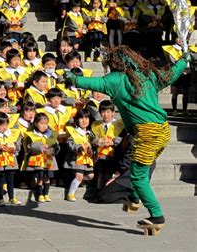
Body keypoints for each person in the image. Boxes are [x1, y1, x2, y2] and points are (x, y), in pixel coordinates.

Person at [63, 45, 191, 231]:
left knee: (138, 176)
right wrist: (183, 60)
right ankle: (134, 198)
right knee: (138, 166)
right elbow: (171, 74)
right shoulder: (149, 75)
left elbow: (93, 83)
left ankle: (157, 216)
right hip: (162, 130)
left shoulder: (116, 79)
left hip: (147, 133)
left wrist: (73, 78)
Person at [22, 113, 59, 202]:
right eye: (41, 124)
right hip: (38, 160)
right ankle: (40, 194)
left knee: (47, 177)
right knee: (40, 177)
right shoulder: (32, 134)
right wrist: (42, 147)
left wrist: (53, 149)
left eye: (45, 124)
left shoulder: (51, 134)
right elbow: (30, 146)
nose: (44, 126)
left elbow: (56, 145)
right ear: (35, 124)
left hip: (49, 159)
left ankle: (46, 193)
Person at [64, 109, 94, 202]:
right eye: (81, 118)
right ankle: (70, 194)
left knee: (91, 176)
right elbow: (70, 144)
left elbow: (94, 144)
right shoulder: (74, 132)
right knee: (79, 176)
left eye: (86, 118)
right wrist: (79, 148)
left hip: (88, 159)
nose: (84, 120)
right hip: (77, 159)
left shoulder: (91, 133)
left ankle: (79, 182)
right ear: (77, 120)